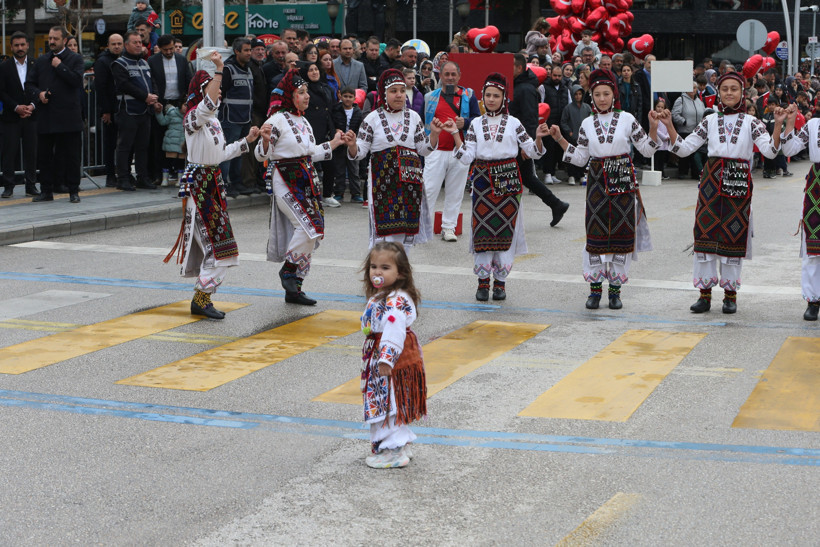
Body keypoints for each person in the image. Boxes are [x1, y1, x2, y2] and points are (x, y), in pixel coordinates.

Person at [661, 71, 786, 314]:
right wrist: (669, 126)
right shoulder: (710, 120)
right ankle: (704, 295)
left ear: (742, 93)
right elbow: (685, 149)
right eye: (725, 89)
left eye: (734, 89)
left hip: (738, 183)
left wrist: (779, 124)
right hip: (711, 182)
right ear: (718, 92)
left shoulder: (753, 123)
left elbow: (770, 152)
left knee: (733, 237)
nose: (729, 93)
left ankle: (730, 296)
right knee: (705, 236)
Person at [551, 69, 662, 310]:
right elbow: (580, 158)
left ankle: (615, 291)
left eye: (606, 93)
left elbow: (646, 149)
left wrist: (653, 127)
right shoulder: (587, 124)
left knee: (621, 237)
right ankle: (594, 291)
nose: (602, 98)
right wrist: (560, 138)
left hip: (623, 182)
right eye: (597, 94)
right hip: (597, 183)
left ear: (614, 95)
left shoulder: (628, 119)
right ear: (591, 96)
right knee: (595, 237)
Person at [164, 53, 259, 319]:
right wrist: (219, 69)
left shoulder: (214, 121)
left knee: (223, 247)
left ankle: (202, 298)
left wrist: (246, 140)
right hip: (199, 186)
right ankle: (201, 299)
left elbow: (219, 154)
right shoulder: (193, 118)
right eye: (212, 89)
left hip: (213, 184)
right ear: (201, 91)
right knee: (218, 248)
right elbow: (207, 106)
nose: (217, 94)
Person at [452, 73, 549, 301]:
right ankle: (483, 282)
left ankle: (501, 283)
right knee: (483, 232)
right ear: (482, 98)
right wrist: (455, 135)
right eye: (488, 95)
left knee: (507, 232)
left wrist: (538, 138)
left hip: (508, 180)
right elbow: (467, 158)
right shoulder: (476, 123)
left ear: (504, 98)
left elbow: (533, 152)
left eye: (496, 95)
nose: (492, 99)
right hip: (483, 180)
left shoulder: (514, 123)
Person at [255, 69, 345, 306]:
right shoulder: (275, 120)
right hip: (285, 177)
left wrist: (334, 144)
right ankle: (289, 270)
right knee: (307, 227)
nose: (307, 97)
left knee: (313, 231)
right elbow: (260, 155)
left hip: (306, 178)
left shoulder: (303, 121)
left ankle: (295, 288)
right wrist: (264, 141)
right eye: (301, 92)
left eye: (307, 92)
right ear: (289, 95)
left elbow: (310, 152)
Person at [346, 68, 445, 249]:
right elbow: (359, 152)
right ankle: (385, 272)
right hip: (383, 183)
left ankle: (401, 273)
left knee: (405, 233)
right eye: (393, 91)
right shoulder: (372, 119)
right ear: (384, 93)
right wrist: (352, 144)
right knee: (386, 235)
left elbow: (423, 149)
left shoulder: (414, 117)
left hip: (410, 183)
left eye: (402, 90)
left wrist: (434, 135)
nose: (399, 95)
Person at [359, 241, 426, 469]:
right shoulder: (385, 296)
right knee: (392, 402)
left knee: (388, 403)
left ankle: (393, 450)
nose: (377, 272)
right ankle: (400, 443)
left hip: (390, 357)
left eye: (385, 268)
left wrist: (386, 358)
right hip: (385, 353)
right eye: (374, 266)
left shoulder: (395, 300)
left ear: (400, 273)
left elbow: (394, 329)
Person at [422, 60, 481, 242]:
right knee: (428, 191)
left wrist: (467, 122)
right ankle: (423, 228)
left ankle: (449, 228)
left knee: (455, 193)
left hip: (459, 150)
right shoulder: (430, 97)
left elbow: (478, 120)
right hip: (435, 151)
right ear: (440, 76)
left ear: (459, 76)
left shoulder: (469, 95)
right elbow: (421, 122)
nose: (449, 78)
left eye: (453, 74)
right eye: (446, 74)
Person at [509, 53, 570, 226]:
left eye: (511, 66)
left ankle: (510, 217)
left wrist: (526, 145)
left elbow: (530, 119)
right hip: (517, 141)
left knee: (515, 178)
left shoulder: (526, 89)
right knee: (528, 178)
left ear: (519, 68)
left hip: (520, 143)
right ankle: (557, 204)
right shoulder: (518, 85)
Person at [26, 26, 84, 203]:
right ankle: (46, 191)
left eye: (55, 39)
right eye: (50, 38)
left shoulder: (75, 59)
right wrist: (39, 94)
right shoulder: (42, 60)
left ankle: (73, 191)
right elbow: (29, 84)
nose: (51, 42)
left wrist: (60, 67)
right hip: (47, 116)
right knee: (44, 156)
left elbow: (76, 81)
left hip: (69, 116)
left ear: (64, 41)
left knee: (72, 156)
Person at [780, 104, 820, 320]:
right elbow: (789, 150)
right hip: (817, 187)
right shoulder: (813, 125)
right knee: (813, 247)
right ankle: (813, 300)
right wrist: (790, 121)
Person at [111, 30, 159, 192]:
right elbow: (124, 85)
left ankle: (142, 177)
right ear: (126, 45)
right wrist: (145, 96)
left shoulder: (144, 63)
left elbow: (152, 82)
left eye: (140, 42)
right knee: (125, 146)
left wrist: (155, 98)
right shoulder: (119, 64)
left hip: (145, 111)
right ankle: (123, 178)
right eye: (135, 42)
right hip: (128, 111)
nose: (139, 45)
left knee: (142, 146)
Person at [148, 34, 193, 186]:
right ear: (159, 49)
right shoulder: (152, 61)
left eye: (171, 48)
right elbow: (151, 82)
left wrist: (187, 101)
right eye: (165, 50)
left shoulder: (181, 60)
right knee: (159, 140)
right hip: (161, 103)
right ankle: (158, 174)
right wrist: (155, 101)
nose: (169, 52)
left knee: (180, 140)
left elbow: (188, 80)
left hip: (179, 103)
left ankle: (179, 172)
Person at [0, 31, 39, 198]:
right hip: (11, 117)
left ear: (28, 45)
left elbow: (41, 88)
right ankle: (8, 186)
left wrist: (32, 106)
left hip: (31, 116)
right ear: (11, 47)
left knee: (32, 152)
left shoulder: (35, 65)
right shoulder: (4, 67)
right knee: (9, 153)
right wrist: (16, 107)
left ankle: (31, 185)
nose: (20, 48)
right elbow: (1, 92)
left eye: (23, 44)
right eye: (16, 45)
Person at [219, 37, 255, 197]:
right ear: (237, 51)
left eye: (250, 50)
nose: (249, 53)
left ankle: (236, 182)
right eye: (246, 50)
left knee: (240, 151)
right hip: (230, 118)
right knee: (227, 153)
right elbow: (220, 92)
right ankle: (223, 184)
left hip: (245, 118)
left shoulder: (248, 68)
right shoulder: (228, 68)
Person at [300, 61, 338, 208]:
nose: (314, 72)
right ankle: (308, 196)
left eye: (316, 69)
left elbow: (332, 108)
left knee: (330, 164)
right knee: (310, 165)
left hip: (326, 130)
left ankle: (327, 194)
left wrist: (336, 129)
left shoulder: (326, 87)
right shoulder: (304, 89)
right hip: (310, 130)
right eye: (310, 70)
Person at [93, 33, 123, 188]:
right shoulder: (102, 62)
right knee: (110, 144)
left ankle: (122, 174)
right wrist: (106, 111)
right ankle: (110, 175)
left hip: (124, 108)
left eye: (119, 43)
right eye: (114, 44)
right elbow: (101, 88)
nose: (117, 46)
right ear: (108, 45)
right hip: (110, 109)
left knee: (124, 144)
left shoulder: (124, 59)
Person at [331, 87, 364, 203]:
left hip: (352, 144)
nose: (348, 99)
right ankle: (339, 192)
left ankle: (355, 193)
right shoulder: (335, 110)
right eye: (345, 96)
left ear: (354, 98)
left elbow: (360, 128)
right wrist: (336, 132)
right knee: (339, 169)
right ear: (340, 96)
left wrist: (352, 139)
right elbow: (332, 124)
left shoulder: (358, 112)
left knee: (354, 169)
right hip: (339, 143)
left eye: (350, 97)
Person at [541, 64, 571, 184]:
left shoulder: (566, 89)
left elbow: (569, 105)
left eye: (559, 76)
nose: (557, 78)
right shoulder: (543, 87)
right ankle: (547, 173)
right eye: (555, 75)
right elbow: (541, 104)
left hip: (561, 124)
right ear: (550, 75)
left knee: (558, 149)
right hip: (548, 123)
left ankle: (553, 173)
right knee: (549, 148)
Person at [671, 81, 706, 179]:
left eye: (694, 88)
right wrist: (684, 122)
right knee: (684, 153)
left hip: (696, 132)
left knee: (696, 154)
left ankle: (696, 173)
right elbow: (675, 114)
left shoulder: (699, 101)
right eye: (690, 88)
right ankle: (682, 172)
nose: (692, 90)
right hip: (684, 131)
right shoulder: (680, 99)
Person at [559, 84, 592, 185]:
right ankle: (571, 175)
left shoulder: (587, 107)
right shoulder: (568, 108)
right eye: (576, 94)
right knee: (572, 155)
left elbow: (592, 120)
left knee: (584, 156)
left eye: (580, 94)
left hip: (584, 137)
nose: (578, 96)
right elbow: (563, 122)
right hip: (572, 137)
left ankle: (581, 175)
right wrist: (569, 132)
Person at [154, 103, 185, 185]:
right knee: (167, 161)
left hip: (182, 142)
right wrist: (159, 113)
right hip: (171, 141)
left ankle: (180, 180)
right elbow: (163, 122)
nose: (186, 107)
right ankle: (165, 179)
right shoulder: (172, 113)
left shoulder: (191, 115)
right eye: (184, 104)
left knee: (181, 161)